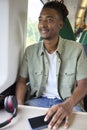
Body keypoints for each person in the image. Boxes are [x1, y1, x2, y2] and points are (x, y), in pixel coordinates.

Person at [16, 1, 87, 129]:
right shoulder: (30, 51)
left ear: (60, 24)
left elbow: (84, 84)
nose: (42, 25)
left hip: (68, 101)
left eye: (49, 20)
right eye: (40, 20)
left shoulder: (77, 49)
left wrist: (68, 105)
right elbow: (21, 81)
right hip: (37, 101)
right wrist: (20, 106)